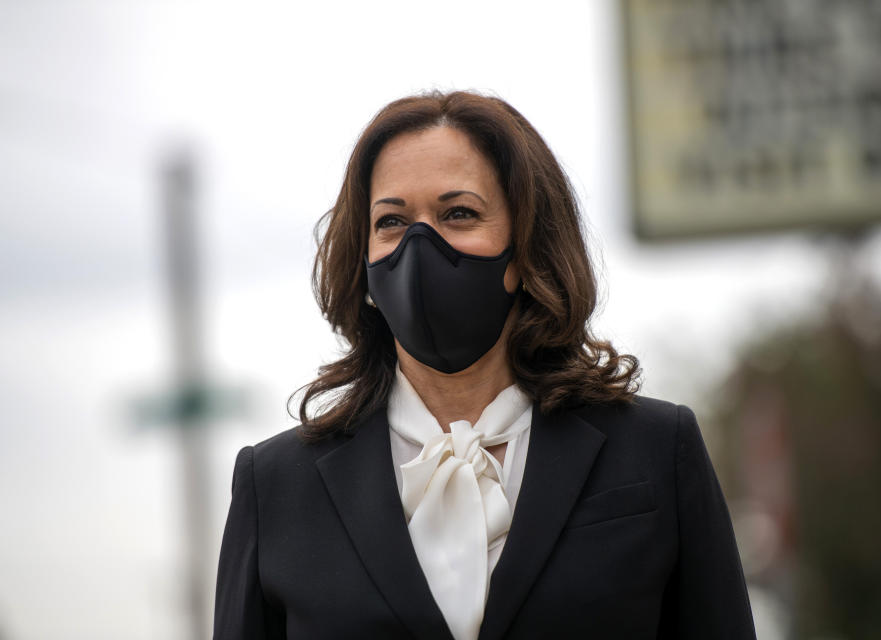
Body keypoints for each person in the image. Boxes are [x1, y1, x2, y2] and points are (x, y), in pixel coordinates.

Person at [213, 90, 756, 640]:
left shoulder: (657, 449)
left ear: (524, 248)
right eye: (392, 221)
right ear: (364, 259)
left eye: (459, 214)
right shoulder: (276, 486)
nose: (420, 245)